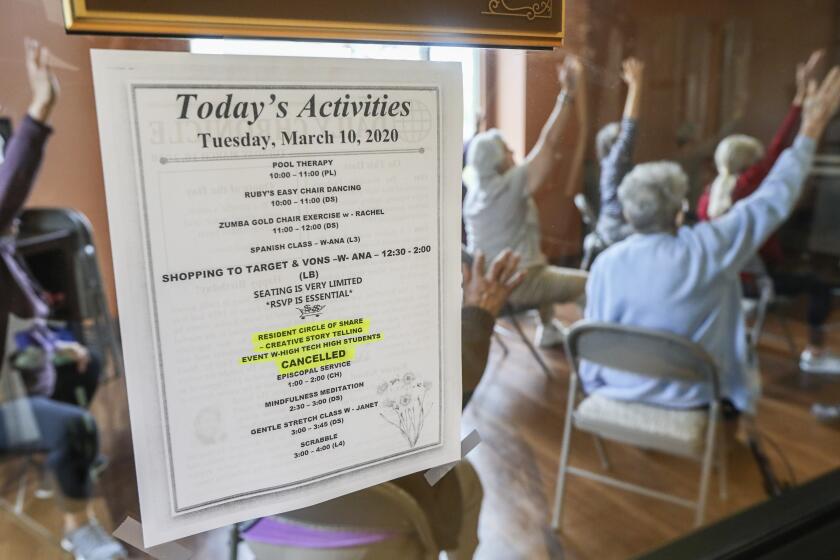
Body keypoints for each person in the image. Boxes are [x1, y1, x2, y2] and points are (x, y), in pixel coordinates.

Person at [581, 66, 840, 415]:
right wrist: (810, 130)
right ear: (678, 212)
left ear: (628, 215)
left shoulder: (604, 265)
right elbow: (775, 197)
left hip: (618, 388)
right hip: (693, 396)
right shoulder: (707, 248)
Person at [250, 250, 525, 559]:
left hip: (260, 525)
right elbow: (456, 373)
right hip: (378, 530)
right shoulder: (375, 325)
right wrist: (478, 313)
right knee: (466, 468)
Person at [0, 39, 125, 560]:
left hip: (17, 375)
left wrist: (50, 349)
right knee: (76, 422)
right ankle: (78, 526)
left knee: (86, 357)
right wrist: (40, 108)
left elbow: (21, 328)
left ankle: (69, 457)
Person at [696, 50, 839, 375]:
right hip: (754, 283)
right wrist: (804, 110)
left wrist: (801, 99)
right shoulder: (747, 188)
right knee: (818, 286)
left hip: (723, 281)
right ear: (751, 165)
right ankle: (815, 351)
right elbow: (778, 149)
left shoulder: (707, 197)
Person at [463, 57, 588, 348]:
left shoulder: (474, 190)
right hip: (519, 284)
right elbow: (549, 142)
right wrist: (566, 95)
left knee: (535, 257)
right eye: (507, 150)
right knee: (591, 283)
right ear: (498, 162)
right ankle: (593, 351)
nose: (512, 153)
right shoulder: (508, 186)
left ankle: (548, 328)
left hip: (489, 285)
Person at [594, 57, 645, 246]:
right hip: (616, 231)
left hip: (612, 227)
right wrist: (636, 85)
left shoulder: (612, 166)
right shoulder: (615, 163)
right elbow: (629, 130)